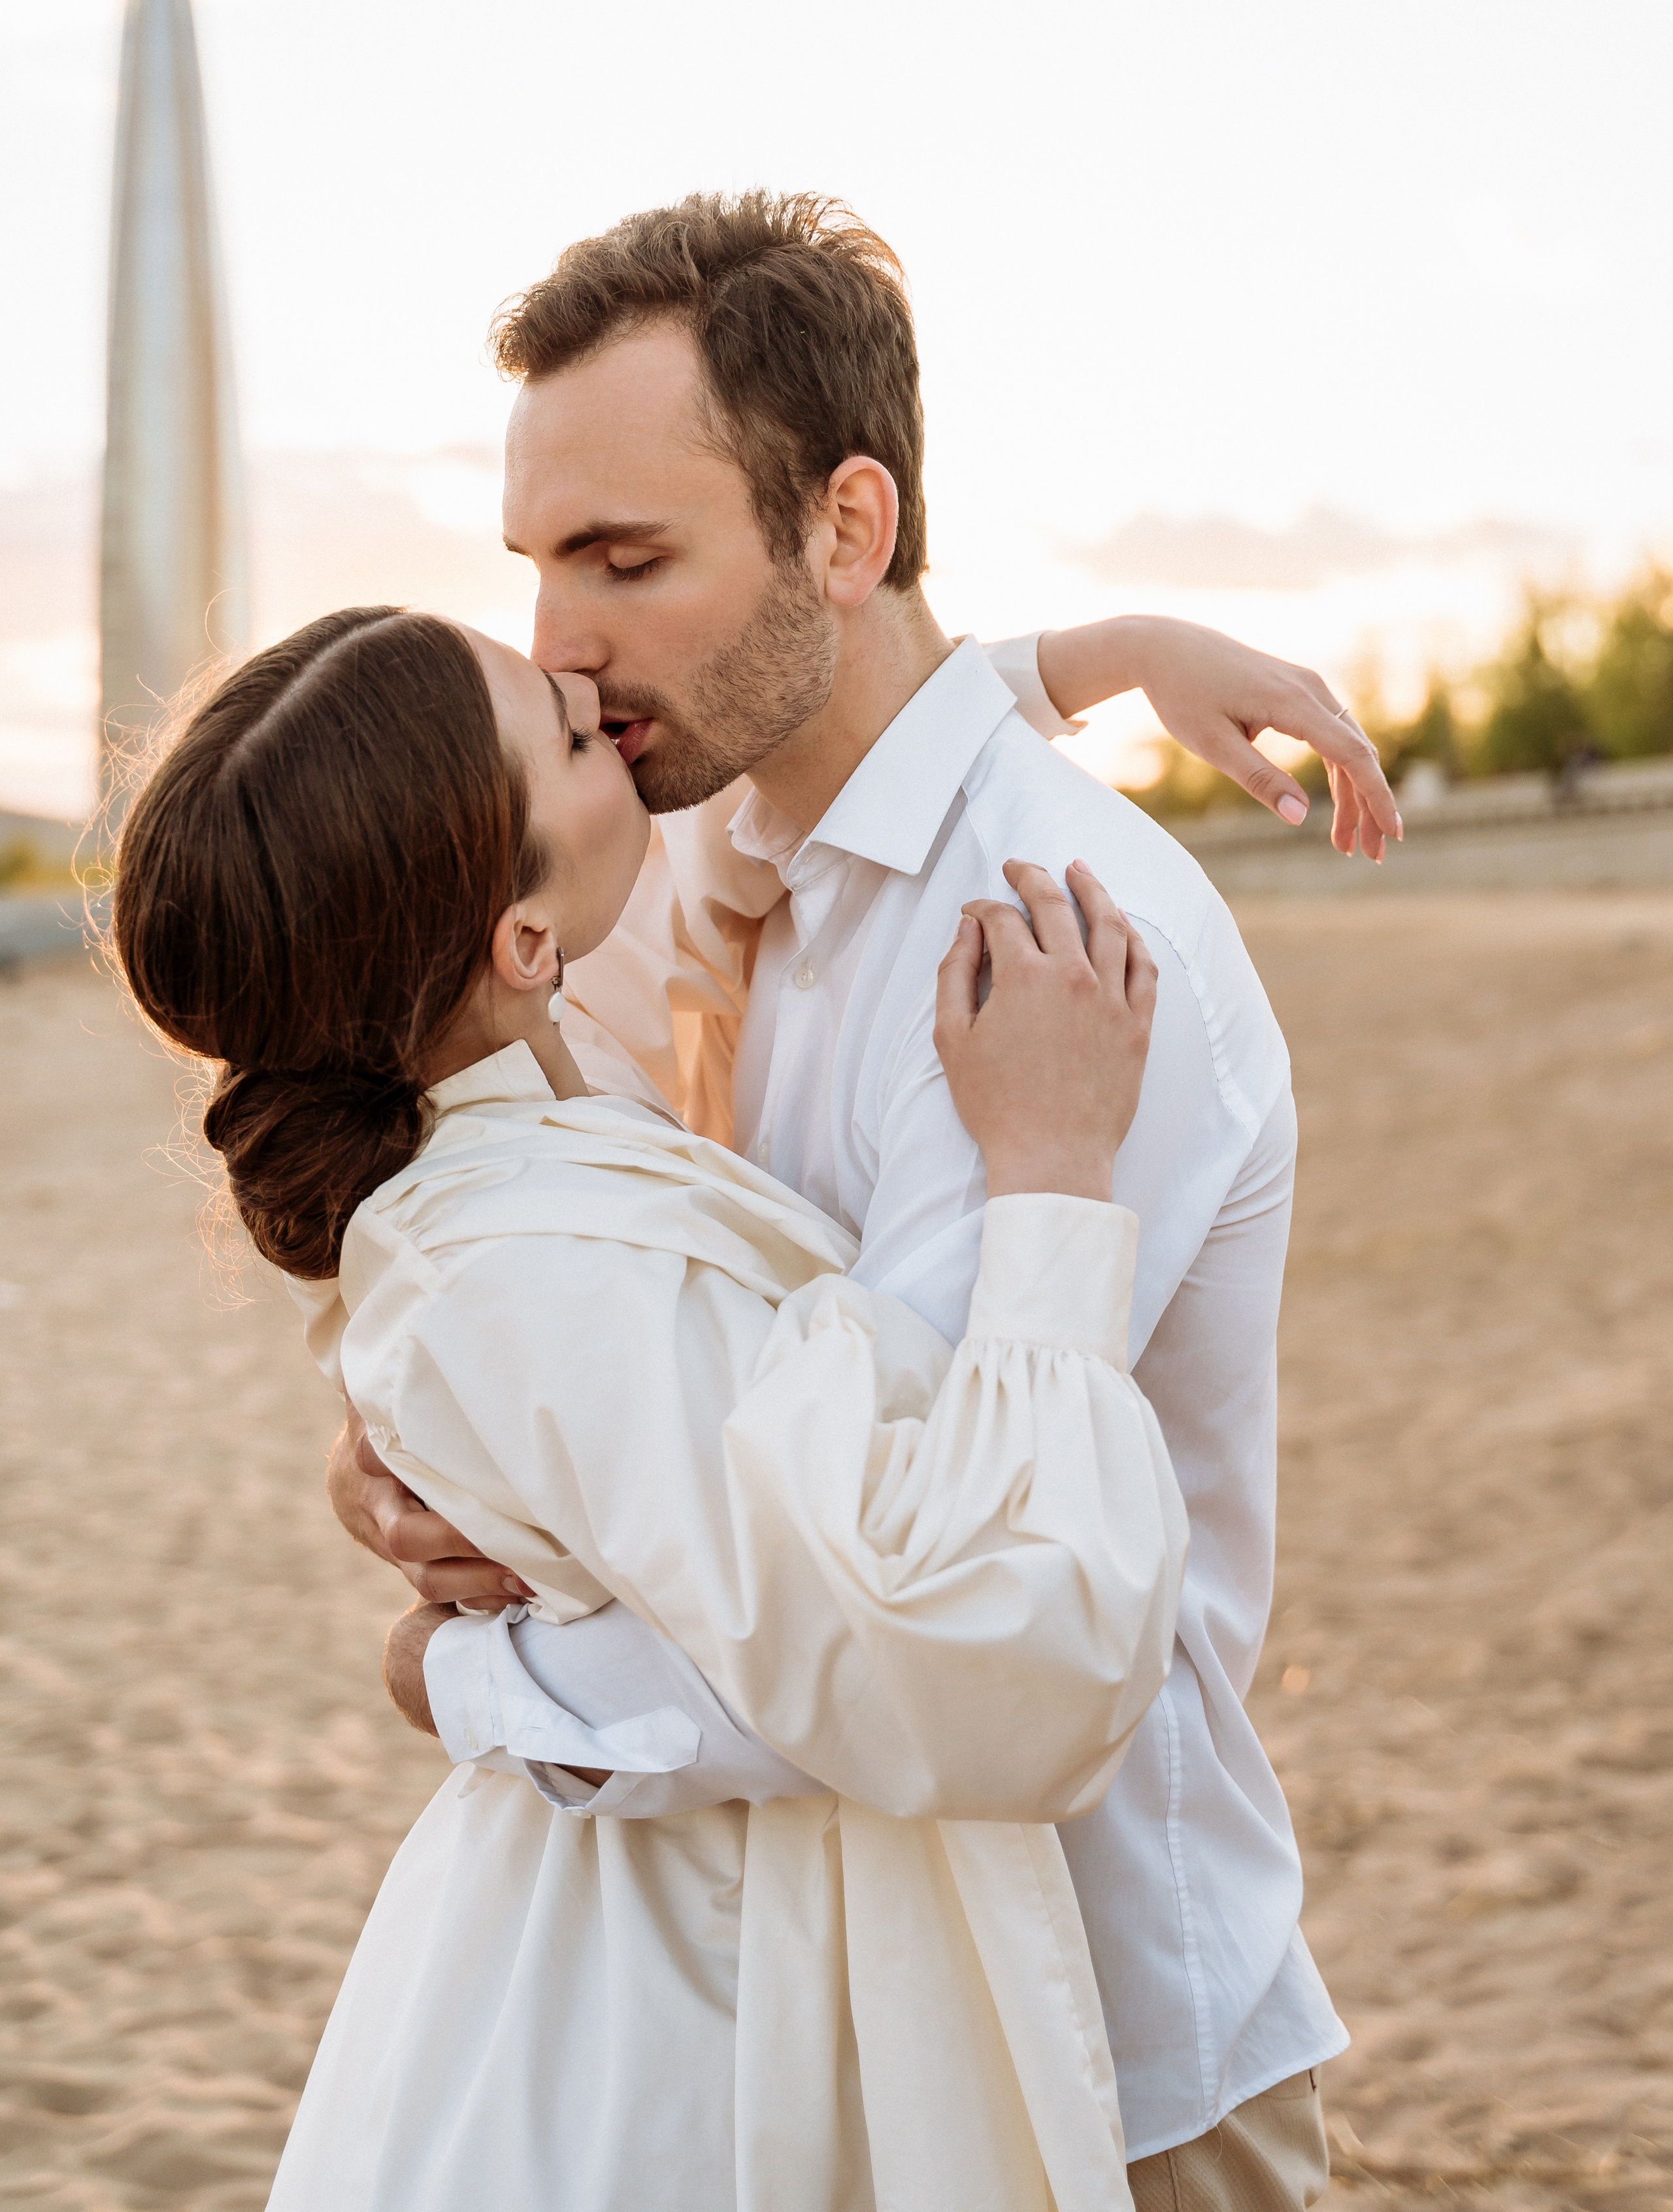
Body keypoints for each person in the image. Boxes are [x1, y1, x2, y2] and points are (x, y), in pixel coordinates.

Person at [335, 194, 1376, 2209]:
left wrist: (462, 1676)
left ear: (844, 526)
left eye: (626, 560)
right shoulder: (664, 864)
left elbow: (889, 1616)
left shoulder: (1064, 952)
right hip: (776, 2036)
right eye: (538, 563)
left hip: (1100, 2046)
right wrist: (422, 1454)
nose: (559, 643)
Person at [114, 601, 1189, 2211]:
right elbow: (987, 1661)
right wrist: (1050, 1172)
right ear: (522, 941)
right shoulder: (527, 1269)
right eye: (563, 734)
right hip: (696, 2020)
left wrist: (1101, 663)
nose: (583, 680)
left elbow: (768, 819)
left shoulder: (508, 1093)